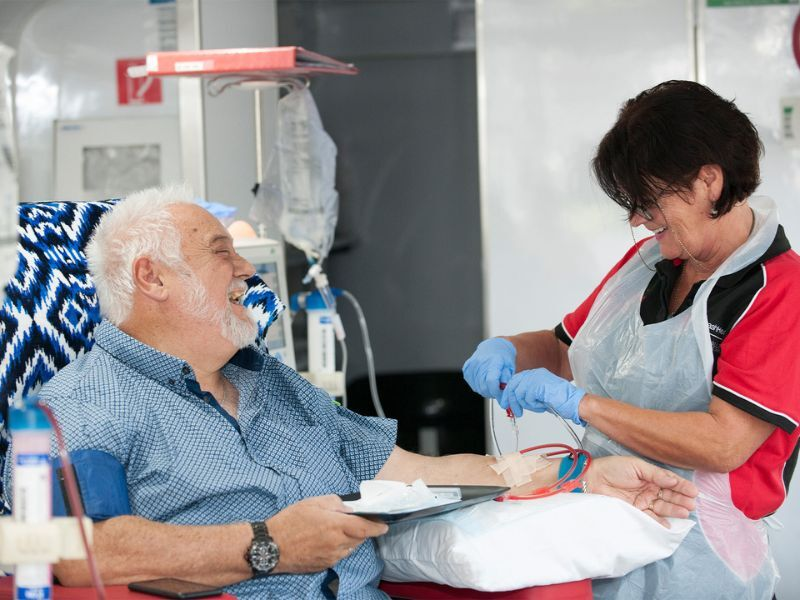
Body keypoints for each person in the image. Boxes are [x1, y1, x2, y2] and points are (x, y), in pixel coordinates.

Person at [9, 185, 697, 600]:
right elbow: (70, 547)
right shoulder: (79, 407)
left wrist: (578, 475)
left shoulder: (273, 384)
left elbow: (421, 477)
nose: (247, 268)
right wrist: (267, 545)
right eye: (221, 251)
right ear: (152, 278)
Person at [463, 80, 800, 600]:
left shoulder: (781, 292)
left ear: (709, 181)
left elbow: (724, 442)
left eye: (649, 201)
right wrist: (505, 347)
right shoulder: (648, 266)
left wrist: (584, 406)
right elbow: (561, 349)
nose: (639, 220)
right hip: (610, 536)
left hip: (702, 562)